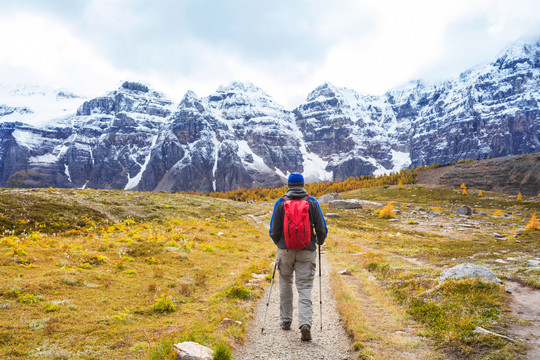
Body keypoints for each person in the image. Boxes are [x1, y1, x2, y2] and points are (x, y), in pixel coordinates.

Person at [269, 172, 327, 341]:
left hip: (284, 250)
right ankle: (305, 324)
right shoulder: (312, 202)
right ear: (302, 185)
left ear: (288, 185)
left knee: (286, 283)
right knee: (304, 287)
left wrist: (280, 243)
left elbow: (273, 230)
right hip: (307, 250)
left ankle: (286, 320)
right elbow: (322, 229)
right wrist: (319, 242)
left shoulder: (280, 202)